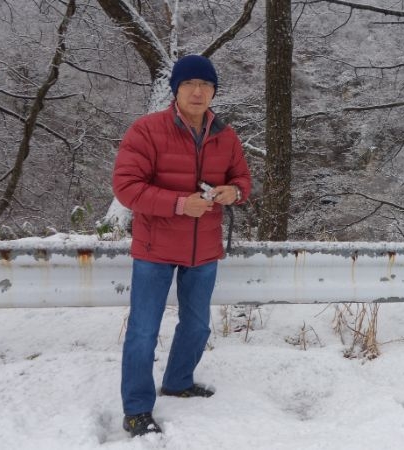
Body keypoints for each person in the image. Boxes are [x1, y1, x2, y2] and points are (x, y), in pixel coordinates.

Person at [112, 54, 251, 438]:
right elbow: (126, 188)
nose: (197, 91)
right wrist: (178, 204)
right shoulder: (146, 130)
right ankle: (136, 409)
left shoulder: (225, 136)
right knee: (143, 330)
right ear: (176, 89)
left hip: (203, 249)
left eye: (205, 85)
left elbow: (243, 179)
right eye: (189, 84)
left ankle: (178, 382)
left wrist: (233, 192)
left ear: (214, 92)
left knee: (197, 325)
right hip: (154, 248)